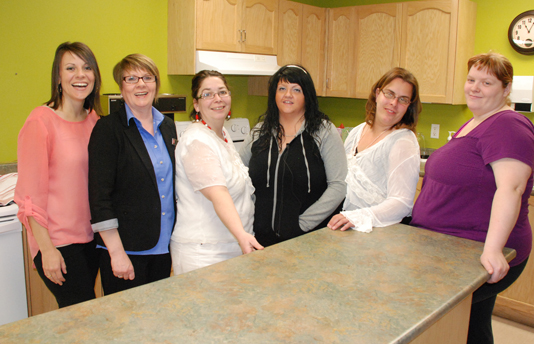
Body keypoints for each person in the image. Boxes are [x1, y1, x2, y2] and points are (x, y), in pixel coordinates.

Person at [410, 52, 534, 344]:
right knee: (472, 326)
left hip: (473, 250)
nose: (474, 88)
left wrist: (492, 250)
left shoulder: (508, 126)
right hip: (451, 246)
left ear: (506, 89)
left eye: (487, 82)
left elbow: (511, 189)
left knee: (440, 326)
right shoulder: (476, 122)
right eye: (471, 80)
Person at [15, 41, 102, 308]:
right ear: (58, 76)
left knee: (83, 317)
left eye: (87, 67)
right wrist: (47, 250)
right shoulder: (41, 121)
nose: (80, 75)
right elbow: (29, 197)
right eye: (71, 68)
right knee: (83, 318)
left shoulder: (94, 121)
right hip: (58, 242)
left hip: (91, 238)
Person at [88, 54, 177, 295]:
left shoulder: (167, 125)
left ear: (156, 84)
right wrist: (116, 253)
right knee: (126, 326)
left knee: (157, 319)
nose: (141, 84)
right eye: (131, 78)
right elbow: (99, 198)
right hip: (126, 251)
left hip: (164, 247)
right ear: (121, 86)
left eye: (148, 77)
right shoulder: (108, 130)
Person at [240, 64, 347, 247]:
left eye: (296, 89)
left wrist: (303, 225)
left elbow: (339, 186)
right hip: (260, 239)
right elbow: (238, 176)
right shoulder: (259, 132)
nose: (287, 95)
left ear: (307, 96)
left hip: (308, 239)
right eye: (282, 88)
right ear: (274, 94)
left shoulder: (323, 132)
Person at [170, 70, 262, 274]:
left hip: (230, 247)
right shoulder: (197, 140)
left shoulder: (222, 135)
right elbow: (218, 193)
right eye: (207, 94)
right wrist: (242, 235)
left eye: (222, 92)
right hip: (204, 253)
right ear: (196, 104)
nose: (217, 99)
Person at [328, 67, 422, 233]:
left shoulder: (403, 142)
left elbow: (401, 202)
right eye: (390, 94)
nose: (394, 103)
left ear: (409, 106)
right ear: (378, 93)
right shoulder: (357, 131)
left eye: (403, 99)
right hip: (349, 228)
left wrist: (357, 217)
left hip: (379, 233)